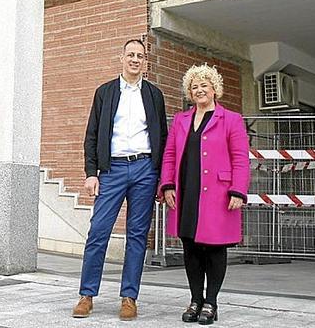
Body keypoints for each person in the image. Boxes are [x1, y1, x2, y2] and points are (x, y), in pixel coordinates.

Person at [72, 38, 168, 321]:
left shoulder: (153, 95)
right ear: (121, 58)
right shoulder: (105, 92)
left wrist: (160, 176)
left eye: (140, 56)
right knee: (98, 232)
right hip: (111, 170)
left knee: (137, 236)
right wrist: (91, 173)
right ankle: (86, 295)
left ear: (145, 62)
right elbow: (92, 135)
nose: (135, 60)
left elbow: (161, 136)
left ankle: (129, 297)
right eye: (130, 55)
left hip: (144, 170)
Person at [158, 64, 250, 325]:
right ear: (189, 91)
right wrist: (167, 185)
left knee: (214, 249)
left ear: (214, 89)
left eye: (204, 86)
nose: (199, 90)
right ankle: (195, 299)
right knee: (191, 247)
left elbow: (241, 158)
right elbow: (170, 154)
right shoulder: (180, 119)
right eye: (194, 86)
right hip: (186, 190)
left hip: (219, 194)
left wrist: (238, 190)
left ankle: (211, 302)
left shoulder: (231, 119)